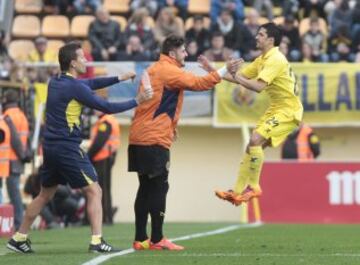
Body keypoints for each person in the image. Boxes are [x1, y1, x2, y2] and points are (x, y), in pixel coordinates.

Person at [6, 41, 153, 254]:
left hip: (50, 148)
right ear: (73, 63)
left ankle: (19, 237)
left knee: (44, 195)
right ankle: (96, 241)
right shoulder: (74, 86)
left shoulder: (54, 81)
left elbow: (90, 83)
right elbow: (106, 107)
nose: (86, 60)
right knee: (95, 191)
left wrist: (118, 78)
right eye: (82, 58)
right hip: (67, 148)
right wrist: (137, 100)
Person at [128, 35, 228, 251]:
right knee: (159, 187)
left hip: (139, 136)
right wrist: (223, 70)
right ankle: (157, 239)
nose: (186, 54)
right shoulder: (169, 70)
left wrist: (171, 126)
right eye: (183, 51)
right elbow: (200, 83)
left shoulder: (153, 69)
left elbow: (156, 103)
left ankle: (140, 239)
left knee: (145, 187)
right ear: (172, 53)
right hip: (154, 139)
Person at [214, 23, 303, 206]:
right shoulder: (262, 59)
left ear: (270, 40)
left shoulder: (275, 59)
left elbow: (258, 87)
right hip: (277, 108)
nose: (256, 37)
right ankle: (237, 193)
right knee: (253, 147)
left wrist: (235, 76)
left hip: (288, 110)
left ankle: (254, 187)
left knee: (255, 139)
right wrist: (215, 72)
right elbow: (240, 77)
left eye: (260, 34)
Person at [2, 89, 31, 230]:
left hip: (10, 160)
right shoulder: (22, 115)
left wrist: (22, 155)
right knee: (15, 195)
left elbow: (14, 139)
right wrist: (26, 155)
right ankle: (18, 223)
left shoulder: (7, 116)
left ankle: (19, 224)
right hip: (18, 160)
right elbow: (26, 138)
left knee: (14, 195)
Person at [88, 111, 120, 225]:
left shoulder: (105, 122)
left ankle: (106, 218)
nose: (94, 110)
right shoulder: (107, 120)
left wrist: (88, 156)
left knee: (102, 189)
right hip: (105, 158)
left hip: (103, 158)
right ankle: (108, 217)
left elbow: (99, 142)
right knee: (104, 188)